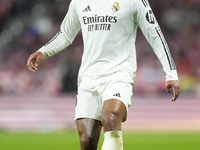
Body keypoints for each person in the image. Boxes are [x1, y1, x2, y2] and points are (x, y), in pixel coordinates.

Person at [27, 0, 180, 149]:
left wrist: (171, 73)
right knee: (87, 140)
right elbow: (66, 34)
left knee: (110, 118)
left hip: (119, 73)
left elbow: (155, 34)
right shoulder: (78, 2)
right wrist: (43, 51)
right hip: (88, 77)